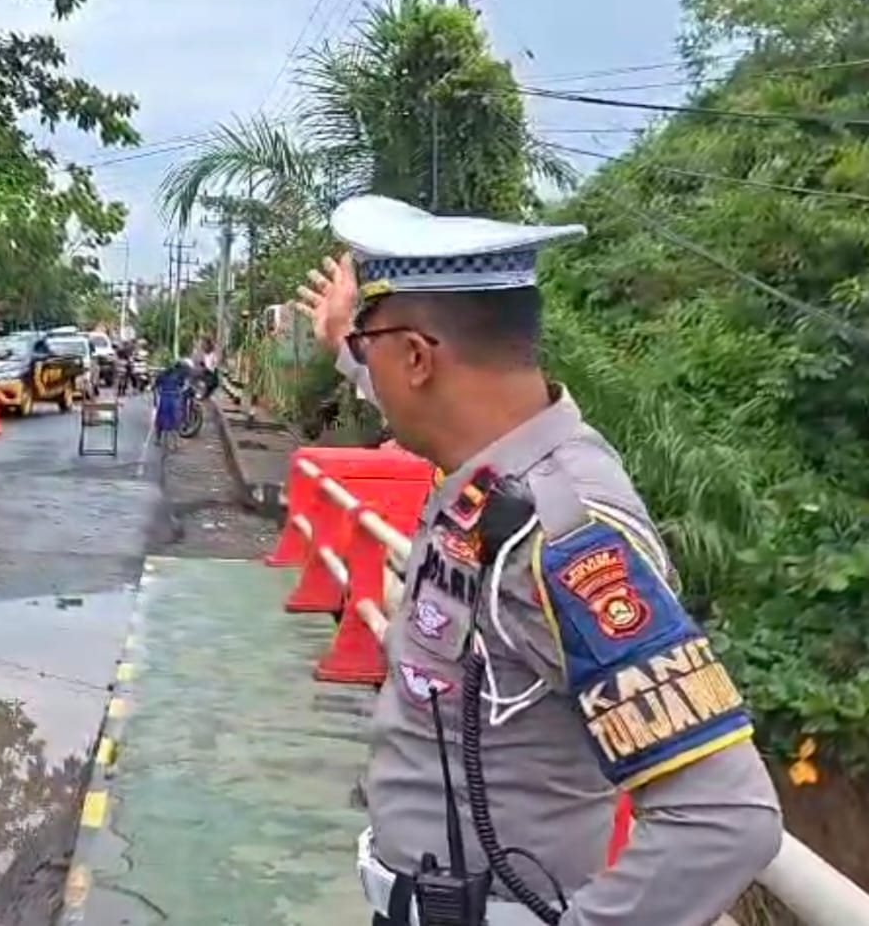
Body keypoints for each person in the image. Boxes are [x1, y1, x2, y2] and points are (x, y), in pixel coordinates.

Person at [295, 195, 781, 926]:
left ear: (418, 358)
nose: (363, 370)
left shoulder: (566, 534)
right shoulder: (497, 467)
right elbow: (413, 398)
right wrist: (350, 341)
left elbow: (723, 815)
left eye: (370, 351)